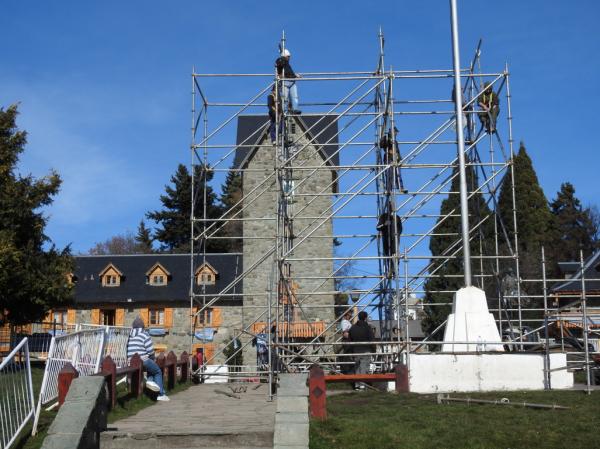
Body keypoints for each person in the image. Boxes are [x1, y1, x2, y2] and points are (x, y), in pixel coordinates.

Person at [127, 316, 169, 401]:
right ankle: (161, 394)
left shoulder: (130, 335)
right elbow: (150, 350)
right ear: (142, 326)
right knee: (157, 371)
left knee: (151, 368)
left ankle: (150, 382)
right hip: (143, 360)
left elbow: (126, 349)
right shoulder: (144, 334)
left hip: (131, 361)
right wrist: (153, 358)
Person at [348, 311, 376, 390]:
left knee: (357, 367)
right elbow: (372, 340)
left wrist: (350, 351)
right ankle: (362, 385)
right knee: (364, 366)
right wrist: (374, 350)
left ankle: (357, 385)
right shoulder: (367, 327)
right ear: (365, 318)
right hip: (366, 349)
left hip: (355, 349)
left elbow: (349, 340)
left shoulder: (353, 328)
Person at [379, 127, 407, 194]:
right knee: (389, 174)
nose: (396, 134)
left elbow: (397, 151)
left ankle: (401, 188)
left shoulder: (395, 141)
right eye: (395, 132)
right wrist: (388, 141)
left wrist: (399, 158)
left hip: (395, 158)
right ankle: (389, 190)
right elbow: (381, 145)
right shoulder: (386, 138)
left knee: (398, 174)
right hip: (388, 158)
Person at [377, 209, 403, 276]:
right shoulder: (384, 216)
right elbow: (378, 227)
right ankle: (389, 270)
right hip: (386, 238)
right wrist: (384, 224)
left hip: (395, 238)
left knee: (395, 253)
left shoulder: (397, 217)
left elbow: (400, 228)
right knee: (387, 254)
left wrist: (396, 234)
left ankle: (394, 269)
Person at [275, 48, 301, 114]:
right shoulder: (280, 61)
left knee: (294, 96)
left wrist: (295, 75)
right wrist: (282, 57)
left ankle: (295, 109)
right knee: (285, 98)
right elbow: (279, 64)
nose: (289, 58)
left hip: (291, 81)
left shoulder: (287, 65)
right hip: (285, 81)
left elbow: (289, 72)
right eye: (288, 56)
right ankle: (285, 111)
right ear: (285, 56)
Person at [339, 310, 353, 374]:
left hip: (348, 340)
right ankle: (346, 370)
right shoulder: (344, 322)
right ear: (346, 315)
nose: (350, 317)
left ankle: (347, 369)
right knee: (347, 356)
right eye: (349, 315)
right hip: (347, 340)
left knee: (348, 356)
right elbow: (345, 333)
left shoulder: (347, 321)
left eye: (350, 315)